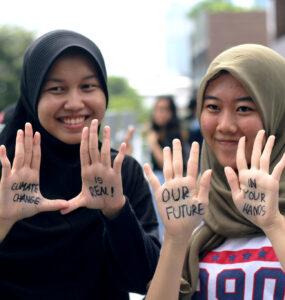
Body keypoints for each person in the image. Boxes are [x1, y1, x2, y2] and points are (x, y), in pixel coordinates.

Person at [0, 29, 160, 299]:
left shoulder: (119, 171)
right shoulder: (6, 170)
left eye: (88, 86)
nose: (74, 103)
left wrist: (116, 212)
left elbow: (145, 280)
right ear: (32, 94)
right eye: (56, 89)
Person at [144, 44, 285, 299]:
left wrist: (274, 223)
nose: (225, 125)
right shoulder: (195, 214)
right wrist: (175, 240)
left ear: (277, 113)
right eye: (213, 107)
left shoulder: (275, 220)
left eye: (244, 108)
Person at [146, 95, 187, 241]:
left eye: (163, 109)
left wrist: (153, 143)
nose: (159, 113)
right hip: (157, 183)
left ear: (171, 113)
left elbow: (166, 165)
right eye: (157, 109)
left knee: (167, 227)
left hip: (170, 184)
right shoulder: (157, 132)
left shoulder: (175, 135)